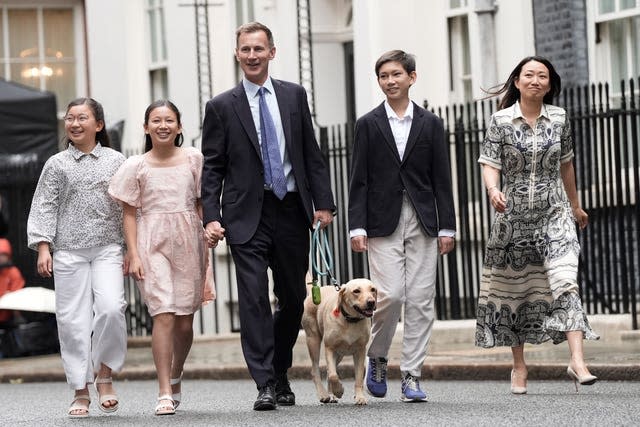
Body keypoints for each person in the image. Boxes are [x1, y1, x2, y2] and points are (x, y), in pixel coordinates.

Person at [201, 21, 335, 411]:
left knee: (293, 299)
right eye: (245, 49)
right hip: (245, 215)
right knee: (253, 299)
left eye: (259, 49)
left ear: (272, 52)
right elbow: (213, 167)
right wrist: (211, 215)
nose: (252, 56)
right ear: (237, 55)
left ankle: (279, 371)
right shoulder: (221, 106)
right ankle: (263, 382)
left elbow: (311, 152)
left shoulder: (294, 95)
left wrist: (323, 203)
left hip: (292, 209)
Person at [475, 56, 599, 394]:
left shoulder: (559, 118)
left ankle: (577, 360)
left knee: (565, 282)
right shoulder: (500, 120)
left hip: (554, 213)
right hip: (513, 217)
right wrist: (493, 189)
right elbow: (489, 162)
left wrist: (575, 206)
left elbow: (567, 164)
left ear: (549, 83)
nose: (535, 80)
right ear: (517, 81)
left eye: (542, 75)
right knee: (517, 293)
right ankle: (519, 367)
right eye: (528, 75)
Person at [348, 50, 456, 402]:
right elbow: (358, 180)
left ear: (412, 77)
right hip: (381, 221)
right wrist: (356, 226)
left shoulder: (431, 123)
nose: (390, 81)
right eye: (383, 76)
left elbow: (442, 178)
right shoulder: (367, 124)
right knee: (390, 295)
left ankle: (411, 374)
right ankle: (377, 357)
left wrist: (447, 227)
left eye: (396, 74)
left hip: (424, 219)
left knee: (422, 299)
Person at [109, 100, 214, 415]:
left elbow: (201, 202)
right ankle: (164, 389)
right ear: (146, 127)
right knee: (163, 314)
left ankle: (177, 371)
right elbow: (128, 213)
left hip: (189, 240)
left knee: (184, 322)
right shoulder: (135, 165)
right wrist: (133, 252)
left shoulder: (195, 159)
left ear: (179, 126)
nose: (163, 126)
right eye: (156, 120)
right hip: (151, 241)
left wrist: (208, 228)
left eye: (169, 120)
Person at [27, 98, 127, 418]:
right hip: (68, 252)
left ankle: (105, 374)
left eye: (82, 118)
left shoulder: (117, 161)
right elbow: (45, 206)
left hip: (109, 247)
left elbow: (130, 207)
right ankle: (80, 389)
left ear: (98, 125)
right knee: (72, 322)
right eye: (70, 118)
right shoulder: (56, 164)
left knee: (112, 309)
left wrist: (132, 249)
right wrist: (44, 247)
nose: (74, 123)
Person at [0, 238, 25, 328]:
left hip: (9, 315)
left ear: (8, 256)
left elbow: (17, 295)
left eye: (3, 255)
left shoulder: (13, 272)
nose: (0, 258)